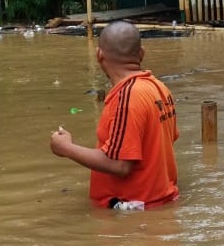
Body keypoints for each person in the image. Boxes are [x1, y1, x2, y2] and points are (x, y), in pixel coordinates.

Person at [49, 20, 179, 209]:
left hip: (133, 212)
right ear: (142, 53)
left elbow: (120, 165)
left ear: (99, 55)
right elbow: (168, 140)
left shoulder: (126, 97)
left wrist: (66, 148)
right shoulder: (159, 87)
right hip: (160, 204)